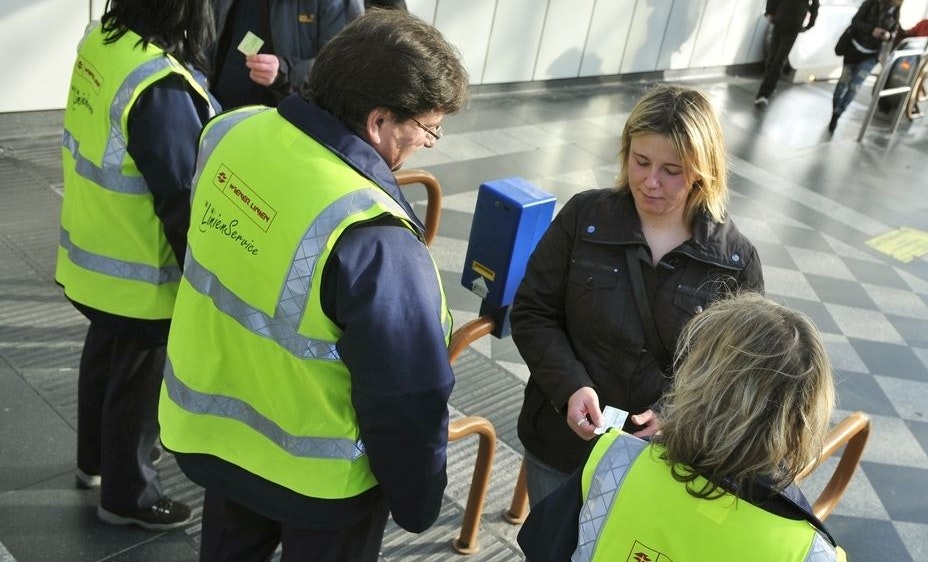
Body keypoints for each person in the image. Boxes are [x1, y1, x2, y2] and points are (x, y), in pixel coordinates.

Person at [157, 9, 467, 561]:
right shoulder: (375, 239)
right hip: (320, 485)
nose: (428, 143)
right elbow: (407, 399)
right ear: (377, 122)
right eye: (426, 128)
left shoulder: (232, 130)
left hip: (213, 434)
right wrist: (419, 503)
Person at [511, 83, 765, 507]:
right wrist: (571, 387)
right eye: (640, 161)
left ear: (704, 170)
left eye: (672, 170)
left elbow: (736, 373)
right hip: (561, 444)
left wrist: (675, 414)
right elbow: (533, 312)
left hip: (658, 461)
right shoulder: (585, 218)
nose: (650, 182)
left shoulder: (735, 261)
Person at [517, 292, 846, 561]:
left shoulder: (614, 462)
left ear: (698, 379)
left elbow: (541, 547)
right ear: (806, 416)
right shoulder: (810, 553)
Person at [56, 0, 217, 530]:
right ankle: (130, 497)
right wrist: (202, 282)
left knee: (105, 353)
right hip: (142, 275)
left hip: (94, 252)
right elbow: (182, 200)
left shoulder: (102, 41)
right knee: (138, 384)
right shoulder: (159, 86)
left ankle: (94, 462)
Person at [211, 0, 364, 109]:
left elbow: (344, 67)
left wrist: (285, 72)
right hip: (220, 114)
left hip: (286, 124)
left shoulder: (338, 4)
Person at [829, 0, 903, 132]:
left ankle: (837, 115)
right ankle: (835, 110)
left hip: (872, 55)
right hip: (854, 49)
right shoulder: (871, 3)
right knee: (842, 84)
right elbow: (855, 21)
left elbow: (894, 32)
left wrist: (888, 35)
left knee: (854, 87)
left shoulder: (896, 12)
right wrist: (872, 30)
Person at [754, 0, 820, 107]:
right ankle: (768, 87)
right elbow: (815, 5)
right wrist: (769, 12)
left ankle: (764, 92)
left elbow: (815, 5)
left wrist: (810, 24)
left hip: (790, 22)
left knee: (778, 60)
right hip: (782, 20)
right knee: (773, 59)